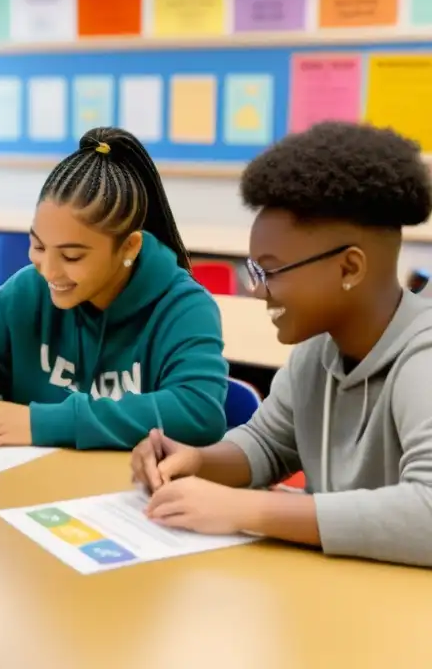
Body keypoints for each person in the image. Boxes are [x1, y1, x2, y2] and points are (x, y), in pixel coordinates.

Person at [132, 122, 432, 569]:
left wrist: (248, 510)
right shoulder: (317, 352)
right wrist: (198, 461)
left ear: (350, 268)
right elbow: (268, 444)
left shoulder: (422, 359)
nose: (257, 290)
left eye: (270, 271)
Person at [0, 127, 228, 450]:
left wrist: (48, 422)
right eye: (38, 246)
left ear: (129, 248)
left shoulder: (183, 307)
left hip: (126, 496)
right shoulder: (27, 291)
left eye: (71, 255)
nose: (49, 270)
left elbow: (198, 410)